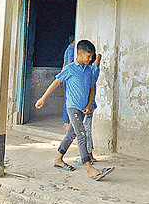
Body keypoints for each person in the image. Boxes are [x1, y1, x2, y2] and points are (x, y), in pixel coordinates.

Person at [36, 40, 114, 181]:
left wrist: (89, 104)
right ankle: (89, 169)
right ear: (79, 54)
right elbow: (56, 82)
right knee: (81, 135)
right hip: (72, 107)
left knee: (71, 135)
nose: (91, 59)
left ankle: (58, 158)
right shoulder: (70, 69)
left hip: (83, 108)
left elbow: (91, 88)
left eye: (92, 56)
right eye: (88, 56)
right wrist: (43, 98)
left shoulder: (89, 69)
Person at [62, 36, 75, 130]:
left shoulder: (67, 49)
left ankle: (65, 122)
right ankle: (67, 121)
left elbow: (64, 63)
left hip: (65, 75)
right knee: (69, 99)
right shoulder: (72, 50)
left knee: (66, 98)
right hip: (68, 76)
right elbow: (69, 63)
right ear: (74, 41)